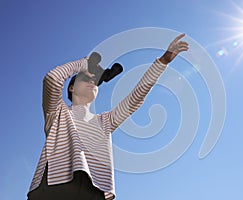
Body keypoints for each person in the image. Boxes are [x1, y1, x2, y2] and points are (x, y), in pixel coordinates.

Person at [27, 33, 189, 200]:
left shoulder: (104, 121)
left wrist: (162, 61)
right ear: (71, 88)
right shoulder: (58, 113)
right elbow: (52, 79)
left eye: (95, 82)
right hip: (55, 184)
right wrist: (84, 64)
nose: (92, 83)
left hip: (94, 190)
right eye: (86, 79)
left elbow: (135, 99)